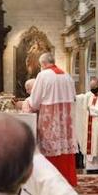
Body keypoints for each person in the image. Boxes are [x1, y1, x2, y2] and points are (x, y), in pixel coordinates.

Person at [26, 51, 78, 186]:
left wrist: (26, 104)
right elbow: (73, 97)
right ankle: (68, 179)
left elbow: (35, 102)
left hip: (50, 118)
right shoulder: (67, 75)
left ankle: (51, 181)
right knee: (65, 146)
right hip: (66, 119)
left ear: (42, 64)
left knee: (50, 146)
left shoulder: (43, 75)